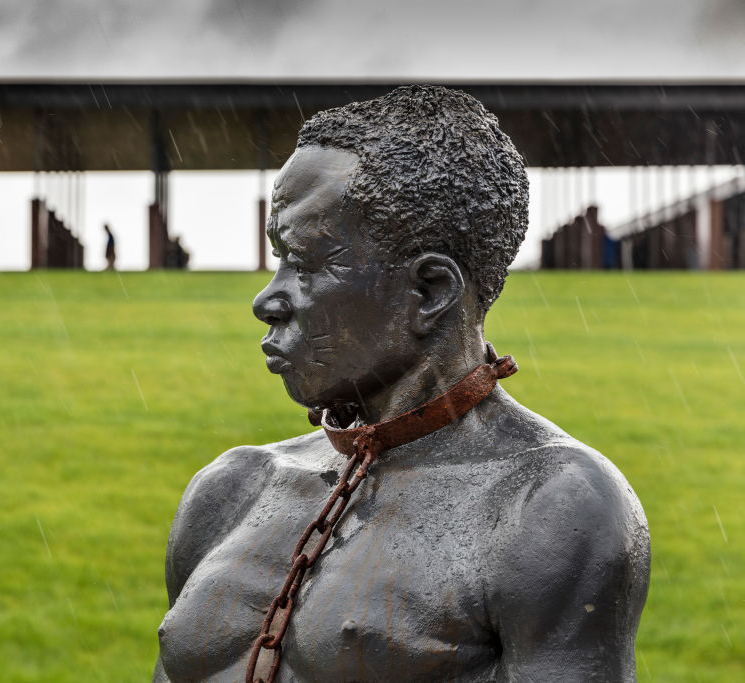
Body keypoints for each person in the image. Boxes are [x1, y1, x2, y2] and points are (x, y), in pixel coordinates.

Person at [154, 86, 650, 682]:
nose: (267, 300)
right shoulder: (230, 491)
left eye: (310, 263)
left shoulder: (550, 507)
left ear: (430, 292)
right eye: (278, 259)